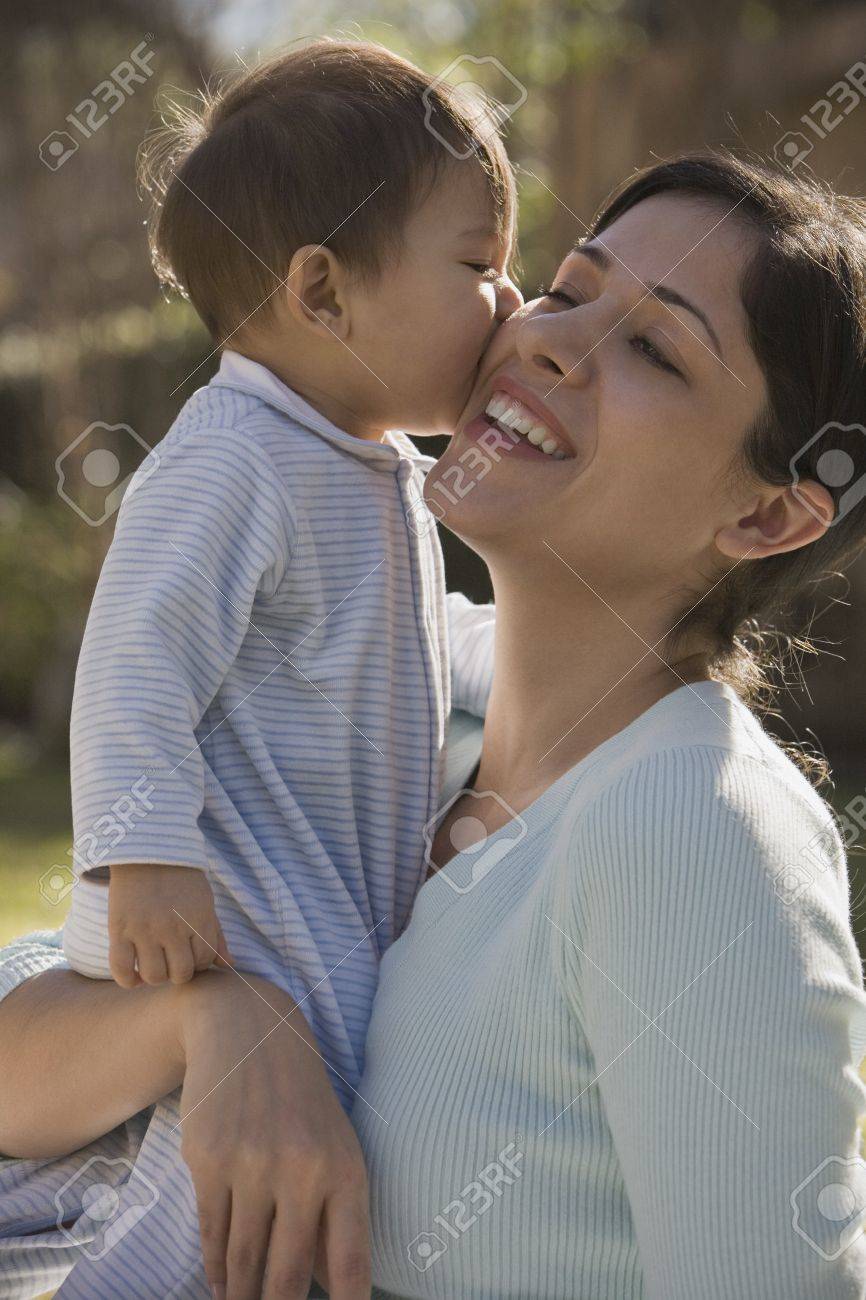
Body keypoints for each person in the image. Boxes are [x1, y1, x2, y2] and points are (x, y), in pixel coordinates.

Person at [2, 151, 866, 1299]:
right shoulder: (406, 742)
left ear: (765, 514)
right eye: (562, 290)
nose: (549, 340)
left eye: (654, 348)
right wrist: (214, 1021)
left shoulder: (688, 825)